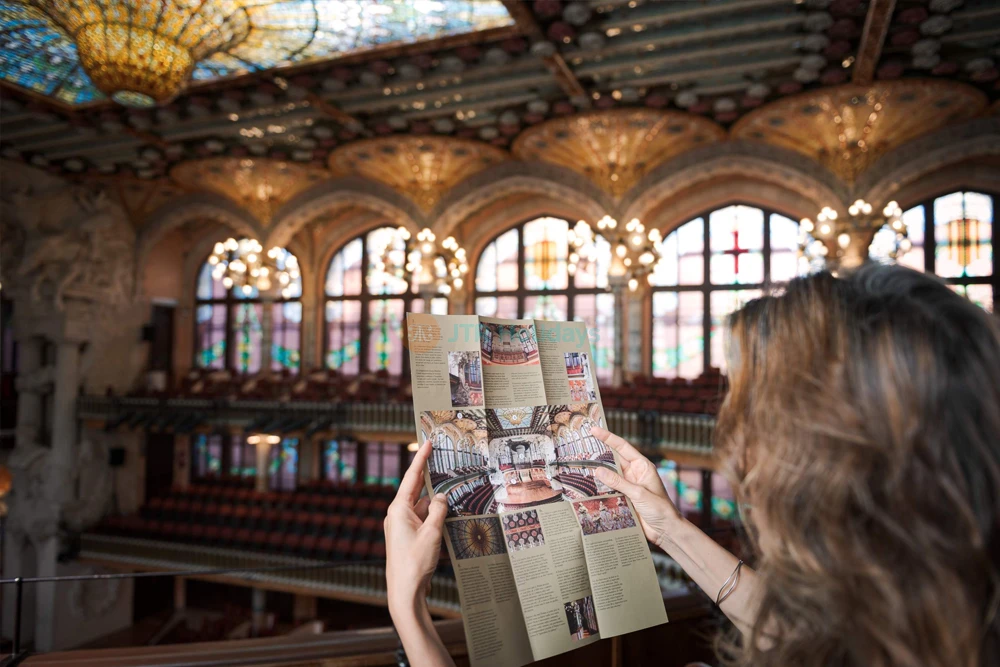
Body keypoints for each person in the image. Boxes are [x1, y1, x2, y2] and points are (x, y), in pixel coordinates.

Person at [385, 265, 1000, 667]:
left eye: (757, 415)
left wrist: (409, 613)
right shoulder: (944, 605)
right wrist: (668, 528)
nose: (742, 450)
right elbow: (819, 643)